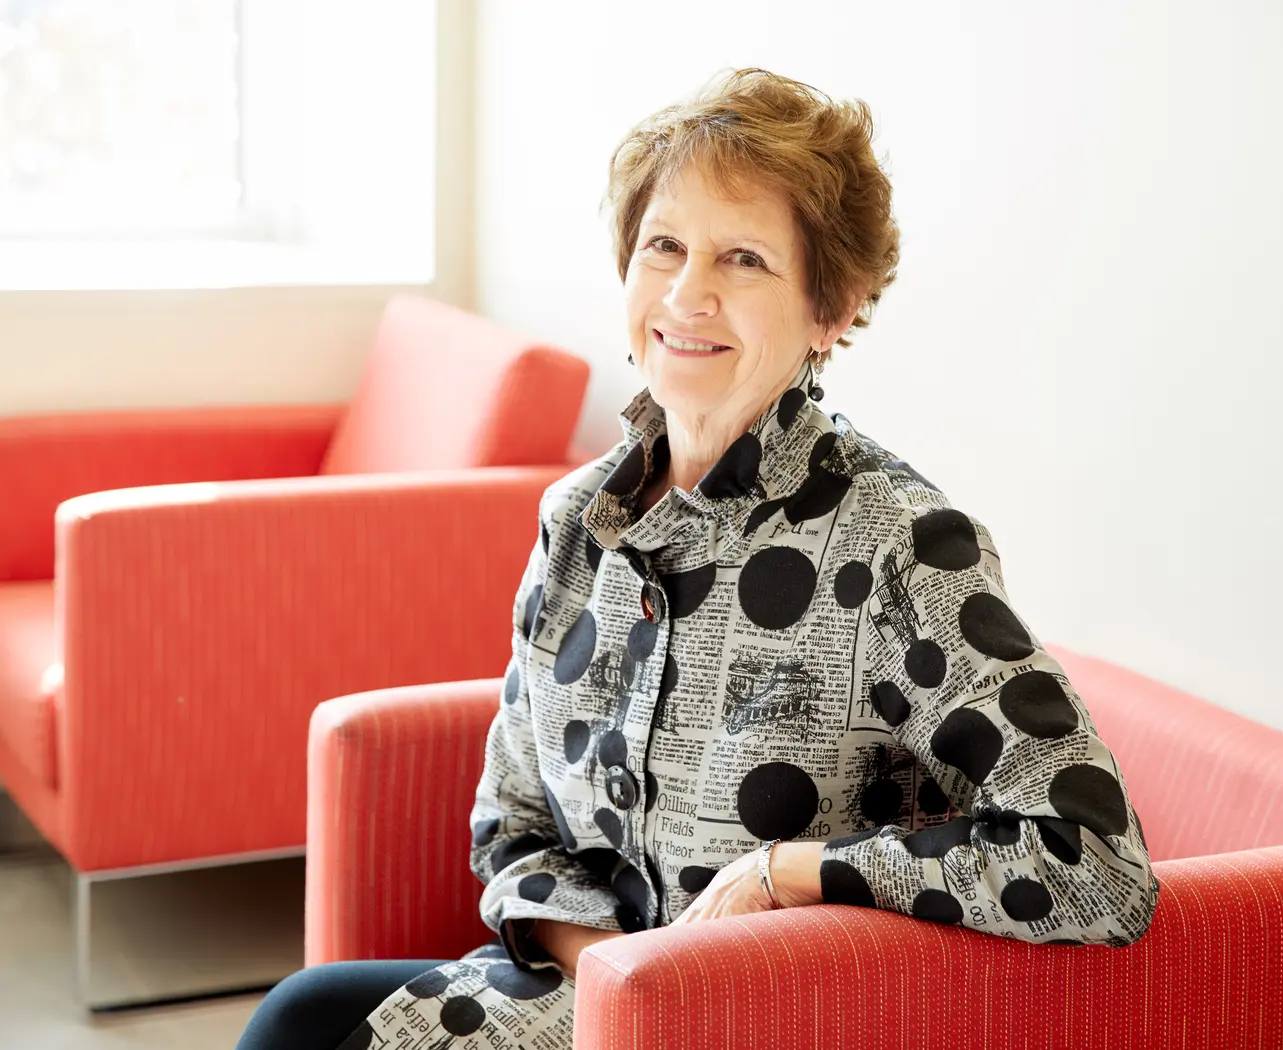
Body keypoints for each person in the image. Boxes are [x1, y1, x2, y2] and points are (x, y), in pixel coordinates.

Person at [236, 66, 1159, 1050]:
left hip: (778, 1024)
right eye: (663, 246)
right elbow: (510, 820)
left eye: (744, 260)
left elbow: (1092, 861)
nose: (687, 294)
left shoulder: (902, 549)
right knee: (299, 1021)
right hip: (582, 1003)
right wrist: (617, 986)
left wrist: (788, 874)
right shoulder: (576, 521)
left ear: (829, 310)